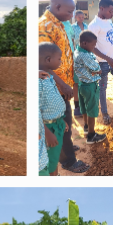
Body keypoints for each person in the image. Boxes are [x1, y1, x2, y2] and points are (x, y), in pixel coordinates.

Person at [39, 0, 90, 174]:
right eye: (69, 12)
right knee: (60, 122)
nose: (72, 15)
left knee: (65, 122)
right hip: (54, 87)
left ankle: (65, 146)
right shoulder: (45, 27)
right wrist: (62, 84)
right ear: (58, 7)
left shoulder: (60, 24)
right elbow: (42, 63)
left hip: (61, 86)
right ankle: (67, 160)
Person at [39, 42, 68, 176]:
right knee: (50, 161)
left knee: (54, 157)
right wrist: (47, 133)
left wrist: (61, 121)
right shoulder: (38, 81)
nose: (61, 61)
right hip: (48, 129)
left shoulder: (48, 76)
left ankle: (55, 175)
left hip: (56, 124)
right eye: (59, 59)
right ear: (48, 60)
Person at [74, 31, 107, 144]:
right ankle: (91, 136)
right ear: (84, 43)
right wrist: (97, 71)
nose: (94, 47)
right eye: (93, 45)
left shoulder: (77, 51)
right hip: (90, 86)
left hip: (81, 84)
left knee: (84, 107)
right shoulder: (85, 55)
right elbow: (97, 68)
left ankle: (87, 127)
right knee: (92, 110)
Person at [71, 10, 87, 116]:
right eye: (79, 17)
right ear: (76, 17)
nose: (81, 18)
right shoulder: (72, 27)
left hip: (86, 56)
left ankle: (84, 105)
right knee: (76, 83)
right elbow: (72, 42)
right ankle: (77, 107)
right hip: (77, 57)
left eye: (83, 17)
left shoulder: (86, 26)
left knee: (85, 81)